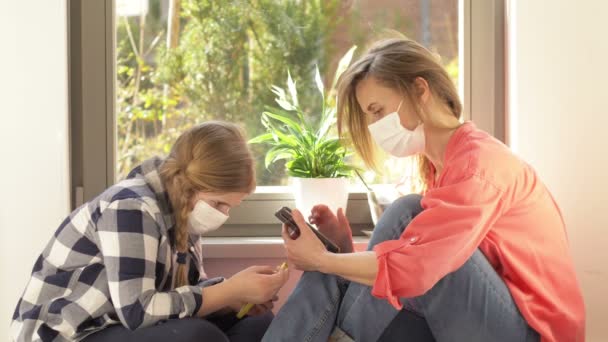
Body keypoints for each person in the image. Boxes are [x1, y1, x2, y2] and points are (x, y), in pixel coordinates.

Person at [263, 37, 585, 342]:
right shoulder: (441, 167)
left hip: (530, 334)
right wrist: (341, 251)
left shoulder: (478, 166)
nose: (375, 127)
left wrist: (322, 260)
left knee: (404, 215)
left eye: (378, 111)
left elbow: (418, 266)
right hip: (487, 317)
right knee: (350, 258)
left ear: (419, 90)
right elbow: (407, 267)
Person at [12, 122, 289, 342]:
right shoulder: (131, 208)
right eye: (219, 203)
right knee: (198, 337)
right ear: (192, 185)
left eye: (229, 207)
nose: (222, 215)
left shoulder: (183, 210)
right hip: (73, 332)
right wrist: (228, 290)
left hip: (120, 323)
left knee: (256, 324)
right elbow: (138, 310)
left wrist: (233, 299)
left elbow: (184, 294)